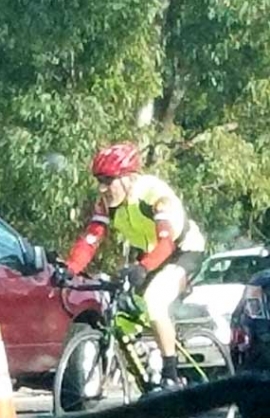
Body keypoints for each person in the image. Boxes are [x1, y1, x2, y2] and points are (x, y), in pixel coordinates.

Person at [63, 142, 206, 390]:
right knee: (122, 316)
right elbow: (91, 239)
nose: (102, 188)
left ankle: (171, 375)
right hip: (151, 254)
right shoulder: (107, 203)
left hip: (182, 250)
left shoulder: (155, 196)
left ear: (128, 178)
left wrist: (142, 267)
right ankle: (146, 375)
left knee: (154, 302)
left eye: (108, 180)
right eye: (99, 180)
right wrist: (70, 268)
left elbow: (166, 244)